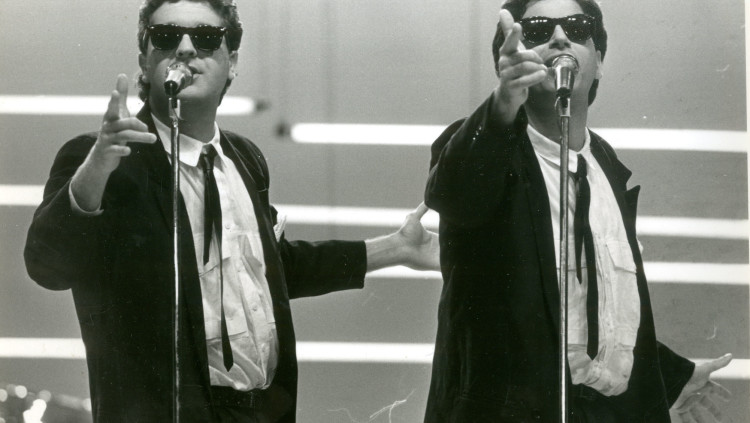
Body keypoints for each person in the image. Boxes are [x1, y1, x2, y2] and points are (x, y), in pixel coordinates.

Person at [23, 1, 438, 422]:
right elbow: (46, 266)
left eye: (206, 38)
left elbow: (269, 271)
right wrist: (97, 168)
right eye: (166, 37)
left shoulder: (245, 159)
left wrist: (396, 248)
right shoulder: (104, 159)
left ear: (232, 63)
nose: (185, 48)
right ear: (144, 62)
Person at [423, 0, 732, 422]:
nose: (559, 37)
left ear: (599, 61)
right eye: (537, 30)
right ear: (508, 61)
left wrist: (671, 374)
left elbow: (594, 299)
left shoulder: (604, 163)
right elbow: (454, 196)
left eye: (576, 26)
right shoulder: (484, 146)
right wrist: (502, 102)